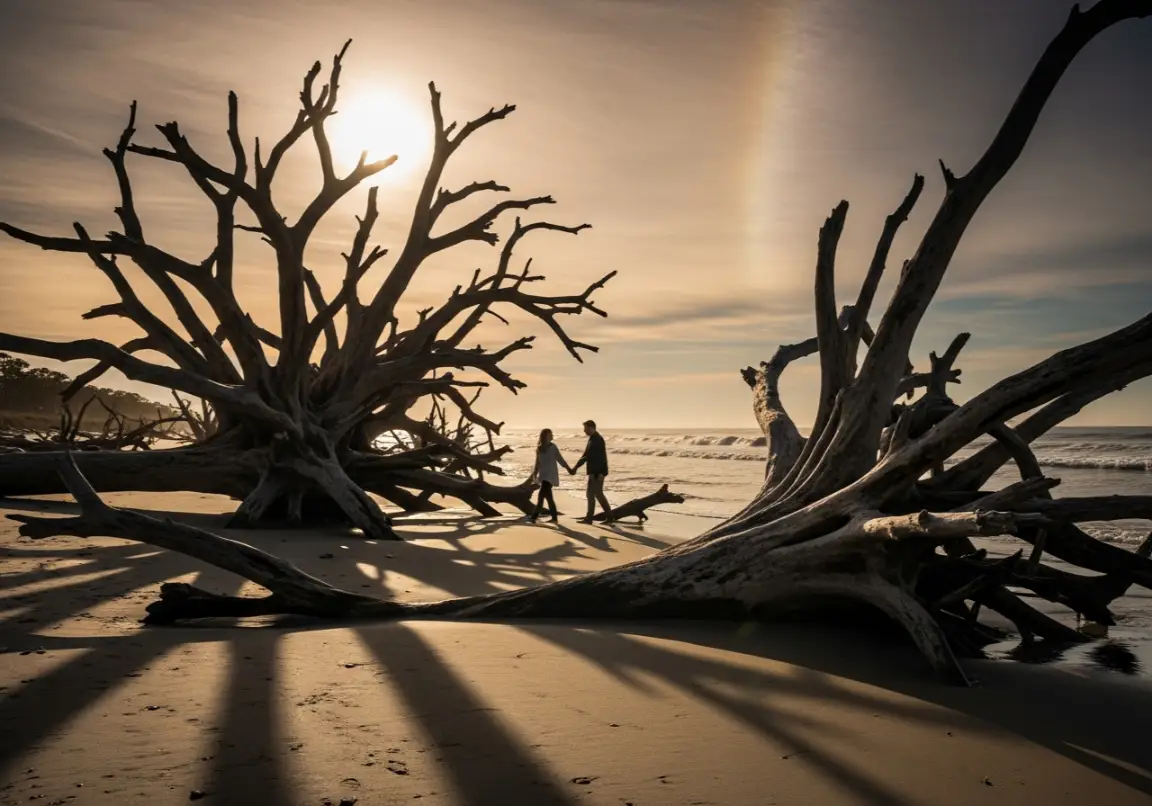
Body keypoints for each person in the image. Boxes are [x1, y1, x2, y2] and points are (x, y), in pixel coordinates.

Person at [570, 419, 613, 524]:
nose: (584, 431)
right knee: (591, 494)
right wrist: (576, 467)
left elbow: (601, 458)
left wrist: (601, 473)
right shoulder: (592, 439)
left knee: (597, 494)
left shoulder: (597, 440)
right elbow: (585, 455)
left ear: (591, 427)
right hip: (593, 472)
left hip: (597, 473)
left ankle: (607, 517)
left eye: (585, 428)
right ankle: (591, 518)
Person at [528, 428, 571, 523]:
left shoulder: (553, 447)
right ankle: (554, 518)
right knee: (548, 497)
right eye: (550, 434)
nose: (552, 436)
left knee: (541, 496)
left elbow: (560, 459)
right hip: (543, 476)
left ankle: (533, 517)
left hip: (551, 476)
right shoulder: (539, 448)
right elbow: (537, 463)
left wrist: (568, 469)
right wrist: (534, 474)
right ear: (545, 436)